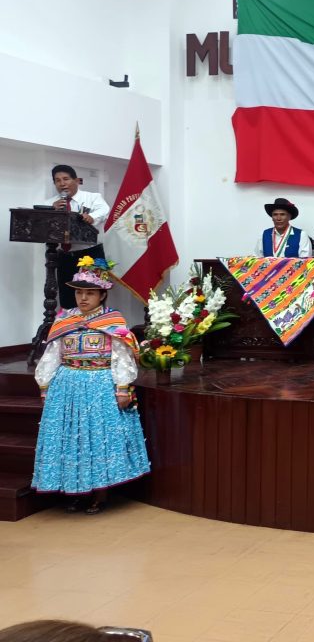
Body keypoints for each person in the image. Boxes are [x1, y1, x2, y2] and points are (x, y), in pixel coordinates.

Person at [32, 257, 150, 514]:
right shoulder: (64, 321)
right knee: (69, 440)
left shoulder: (113, 323)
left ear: (102, 295)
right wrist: (45, 385)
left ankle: (100, 493)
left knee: (97, 440)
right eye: (79, 293)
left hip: (100, 386)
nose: (83, 298)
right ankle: (74, 491)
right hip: (66, 386)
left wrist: (122, 387)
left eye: (90, 293)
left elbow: (121, 356)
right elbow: (51, 355)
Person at [50, 164, 110, 309]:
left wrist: (92, 217)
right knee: (67, 298)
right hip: (64, 256)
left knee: (93, 297)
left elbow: (104, 210)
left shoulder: (92, 197)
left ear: (76, 180)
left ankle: (95, 323)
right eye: (58, 180)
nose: (62, 183)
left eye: (66, 179)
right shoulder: (52, 203)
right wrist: (52, 210)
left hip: (91, 254)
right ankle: (71, 323)